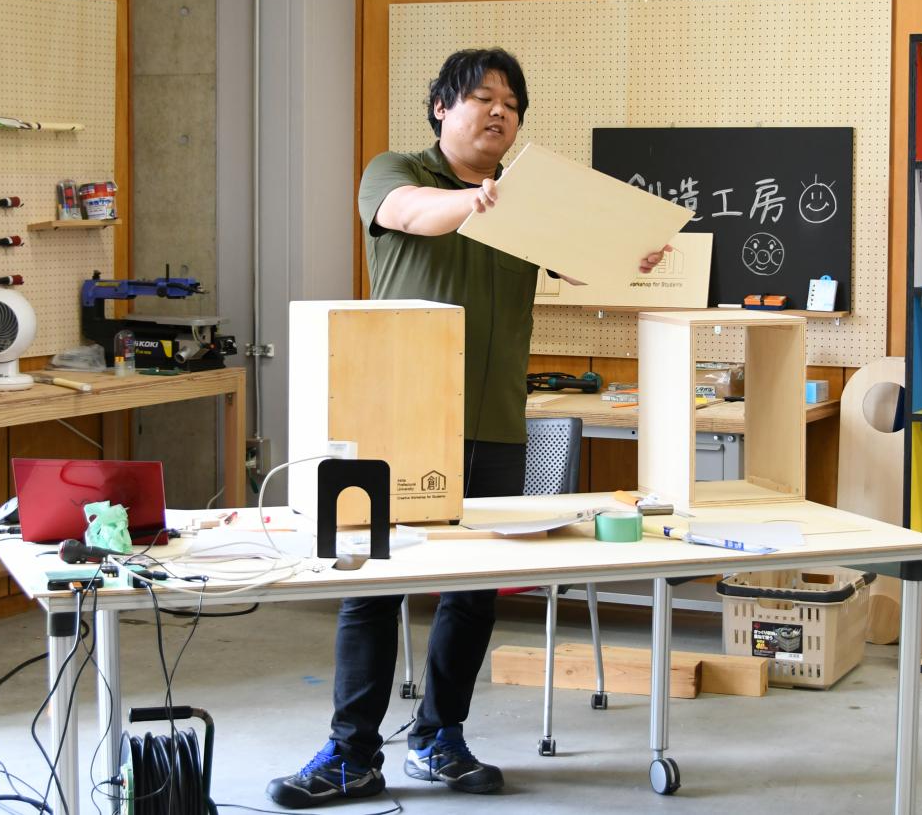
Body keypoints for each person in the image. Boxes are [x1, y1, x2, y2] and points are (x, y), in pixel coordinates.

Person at [269, 47, 666, 807]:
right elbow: (411, 214)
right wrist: (484, 201)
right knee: (371, 585)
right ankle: (351, 754)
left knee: (475, 590)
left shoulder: (526, 201)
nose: (498, 112)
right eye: (483, 97)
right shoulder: (395, 171)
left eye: (511, 105)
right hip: (395, 422)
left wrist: (630, 252)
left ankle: (438, 738)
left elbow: (586, 264)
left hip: (495, 422)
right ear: (441, 108)